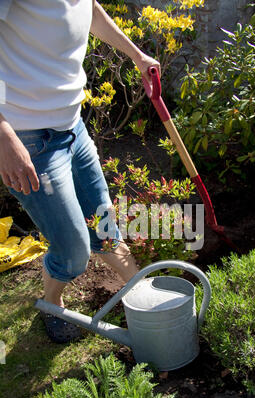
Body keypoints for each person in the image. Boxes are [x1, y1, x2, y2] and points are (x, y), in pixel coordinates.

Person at [0, 0, 161, 343]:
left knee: (103, 222)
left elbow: (87, 8)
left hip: (73, 125)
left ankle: (146, 294)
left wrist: (136, 55)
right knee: (73, 252)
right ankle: (51, 302)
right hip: (28, 140)